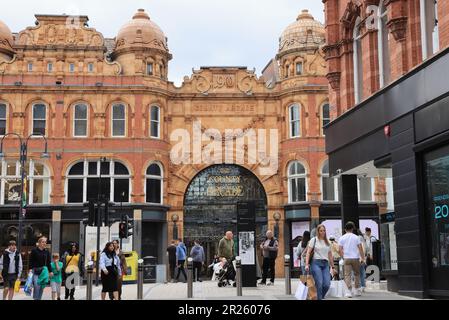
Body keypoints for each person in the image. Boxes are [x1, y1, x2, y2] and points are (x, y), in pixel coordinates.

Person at [305, 224, 334, 300]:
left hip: (325, 264)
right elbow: (308, 252)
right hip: (316, 263)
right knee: (319, 283)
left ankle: (319, 297)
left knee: (327, 284)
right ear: (318, 231)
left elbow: (330, 255)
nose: (323, 232)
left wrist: (333, 267)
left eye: (324, 230)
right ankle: (319, 298)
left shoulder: (328, 241)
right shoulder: (314, 240)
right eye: (321, 231)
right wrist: (307, 264)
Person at [339, 222, 366, 298]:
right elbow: (360, 248)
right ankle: (357, 290)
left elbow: (340, 249)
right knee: (357, 274)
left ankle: (348, 291)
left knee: (347, 275)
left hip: (346, 258)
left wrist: (343, 256)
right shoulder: (356, 237)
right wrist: (363, 258)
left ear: (345, 229)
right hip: (355, 258)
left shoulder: (342, 238)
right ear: (352, 229)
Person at [29, 236, 52, 300]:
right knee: (36, 285)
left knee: (42, 286)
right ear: (39, 243)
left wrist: (50, 271)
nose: (44, 243)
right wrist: (30, 269)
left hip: (43, 272)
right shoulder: (34, 250)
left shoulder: (47, 252)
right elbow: (31, 261)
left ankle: (39, 298)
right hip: (35, 271)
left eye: (45, 242)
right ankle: (36, 298)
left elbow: (48, 262)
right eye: (43, 242)